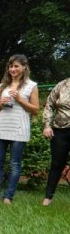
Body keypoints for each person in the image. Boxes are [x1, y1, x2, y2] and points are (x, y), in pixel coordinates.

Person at [0, 55, 39, 204]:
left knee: (14, 164)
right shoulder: (2, 86)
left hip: (19, 129)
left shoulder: (31, 85)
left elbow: (36, 109)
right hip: (1, 128)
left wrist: (20, 99)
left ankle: (8, 197)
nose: (13, 69)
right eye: (11, 66)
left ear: (24, 67)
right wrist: (1, 104)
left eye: (16, 66)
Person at [42, 78, 70, 206]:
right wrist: (47, 125)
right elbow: (49, 104)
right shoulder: (62, 84)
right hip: (60, 131)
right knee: (57, 164)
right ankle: (48, 197)